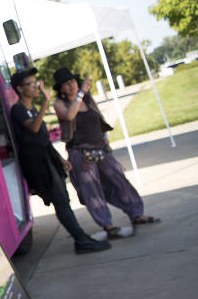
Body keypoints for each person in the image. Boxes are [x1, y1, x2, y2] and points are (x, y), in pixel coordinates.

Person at [9, 68, 110, 254]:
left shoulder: (31, 109)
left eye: (35, 82)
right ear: (20, 89)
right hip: (37, 165)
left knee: (63, 198)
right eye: (31, 84)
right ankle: (80, 240)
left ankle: (80, 237)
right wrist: (46, 102)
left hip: (47, 159)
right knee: (60, 201)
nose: (36, 87)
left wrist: (59, 159)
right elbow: (33, 128)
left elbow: (43, 140)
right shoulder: (18, 109)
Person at [51, 67, 159, 238]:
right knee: (91, 190)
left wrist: (104, 135)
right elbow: (70, 115)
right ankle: (107, 225)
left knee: (119, 179)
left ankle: (136, 213)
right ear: (61, 88)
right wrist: (80, 93)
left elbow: (97, 116)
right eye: (66, 84)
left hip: (100, 148)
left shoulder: (86, 97)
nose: (71, 86)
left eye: (72, 81)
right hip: (80, 153)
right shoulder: (60, 104)